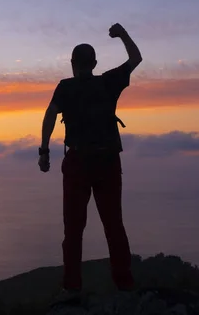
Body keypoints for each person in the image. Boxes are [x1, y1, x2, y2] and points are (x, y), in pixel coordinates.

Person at [38, 23, 142, 304]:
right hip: (108, 160)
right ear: (94, 63)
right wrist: (122, 34)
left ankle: (72, 288)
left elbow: (49, 116)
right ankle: (125, 284)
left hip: (78, 163)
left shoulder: (65, 87)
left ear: (73, 65)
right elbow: (135, 59)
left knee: (73, 229)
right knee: (114, 225)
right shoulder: (108, 81)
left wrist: (44, 151)